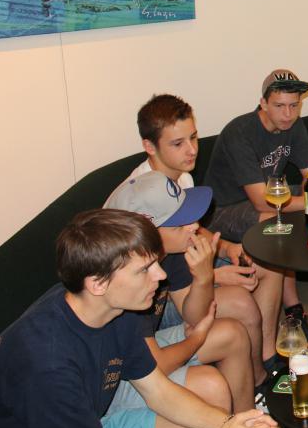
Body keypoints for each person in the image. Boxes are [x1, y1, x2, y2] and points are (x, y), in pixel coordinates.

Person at [0, 209, 278, 428]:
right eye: (144, 269)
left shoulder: (114, 308)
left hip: (93, 418)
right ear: (98, 283)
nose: (161, 275)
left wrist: (234, 425)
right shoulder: (47, 364)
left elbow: (157, 391)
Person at [113, 94, 270, 392]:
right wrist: (213, 275)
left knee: (265, 262)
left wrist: (226, 249)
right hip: (153, 302)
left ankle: (266, 359)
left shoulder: (180, 179)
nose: (192, 149)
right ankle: (255, 378)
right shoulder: (141, 204)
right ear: (150, 147)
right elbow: (165, 261)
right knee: (240, 303)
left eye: (194, 138)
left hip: (178, 277)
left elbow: (188, 233)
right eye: (178, 143)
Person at [204, 70, 308, 325]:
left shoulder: (294, 125)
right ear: (263, 103)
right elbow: (260, 201)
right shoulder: (240, 132)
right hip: (223, 209)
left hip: (272, 193)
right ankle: (293, 308)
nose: (288, 114)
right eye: (279, 106)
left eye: (294, 105)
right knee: (277, 221)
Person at [104, 171, 256, 412]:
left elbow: (194, 317)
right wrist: (196, 339)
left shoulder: (167, 250)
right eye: (180, 224)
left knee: (233, 333)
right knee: (209, 383)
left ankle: (251, 425)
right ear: (147, 233)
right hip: (114, 379)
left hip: (146, 350)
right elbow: (154, 365)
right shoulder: (127, 282)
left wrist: (204, 277)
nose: (195, 226)